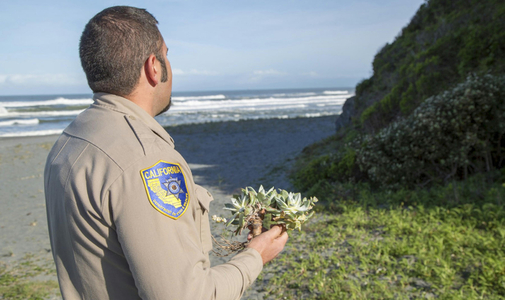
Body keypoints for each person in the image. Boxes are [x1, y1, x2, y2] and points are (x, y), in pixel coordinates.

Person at [44, 6, 288, 300]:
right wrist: (255, 256)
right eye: (167, 54)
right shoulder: (148, 159)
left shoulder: (71, 139)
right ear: (153, 67)